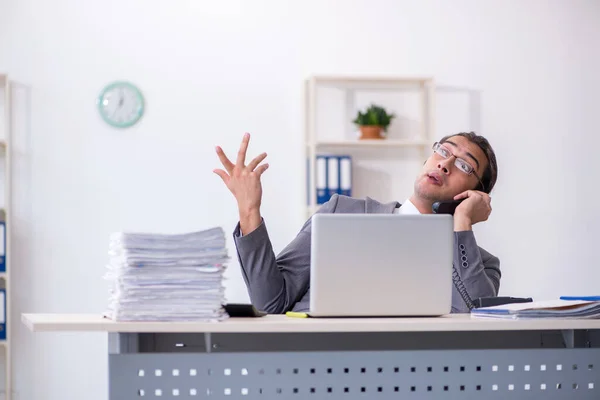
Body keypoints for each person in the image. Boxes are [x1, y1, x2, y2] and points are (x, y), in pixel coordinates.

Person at [214, 131, 500, 314]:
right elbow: (272, 302)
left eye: (464, 165)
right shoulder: (342, 212)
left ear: (477, 194)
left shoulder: (481, 266)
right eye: (443, 150)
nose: (445, 164)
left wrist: (462, 222)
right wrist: (249, 209)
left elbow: (475, 319)